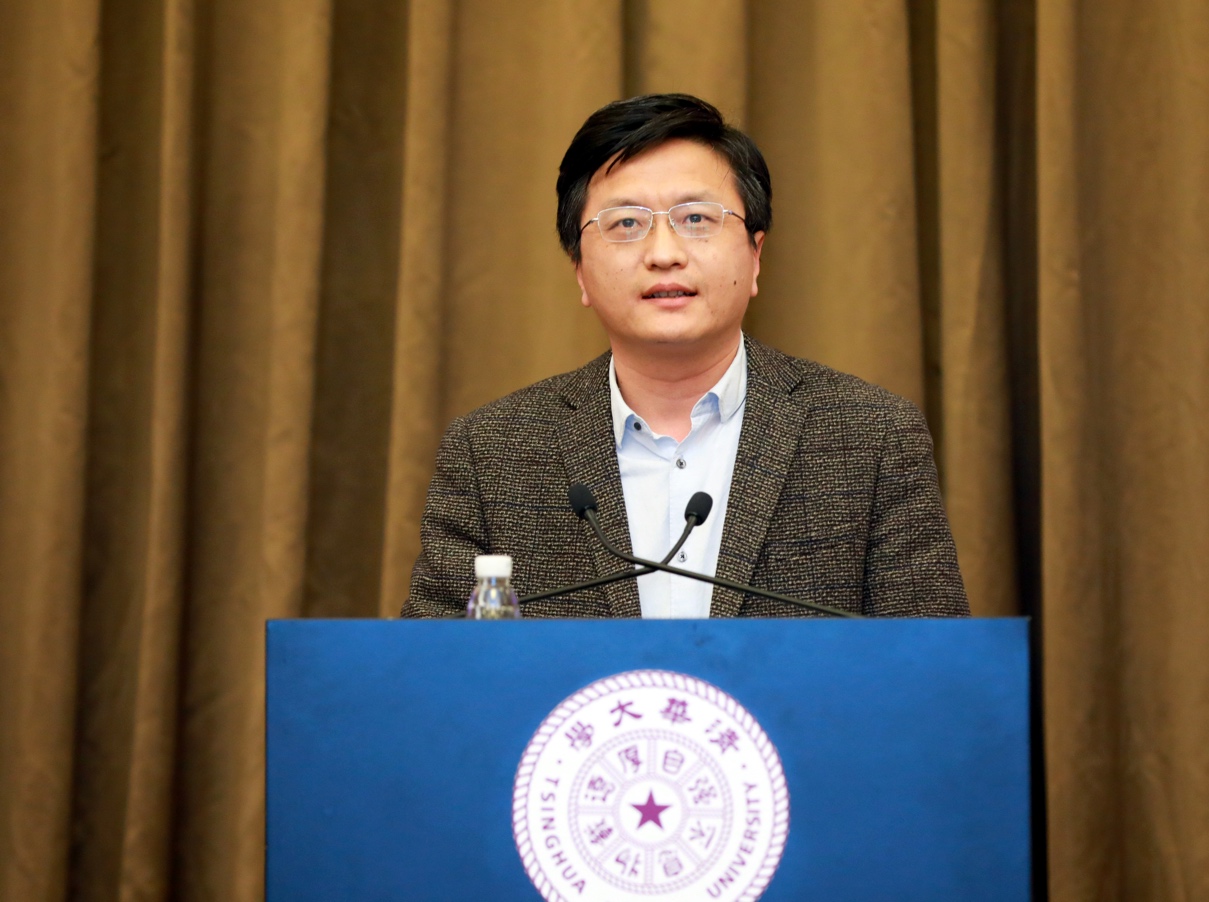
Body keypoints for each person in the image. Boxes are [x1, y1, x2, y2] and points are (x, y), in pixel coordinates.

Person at [401, 94, 968, 619]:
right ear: (580, 271)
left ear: (755, 255)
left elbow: (930, 667)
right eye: (626, 223)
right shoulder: (491, 453)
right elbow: (435, 670)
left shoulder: (870, 436)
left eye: (696, 218)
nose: (664, 254)